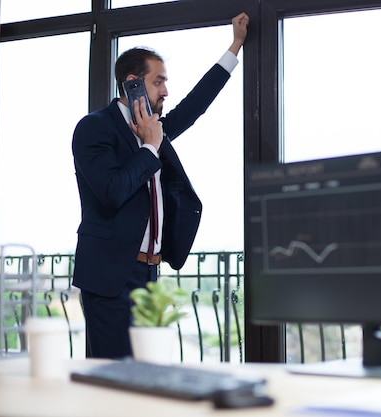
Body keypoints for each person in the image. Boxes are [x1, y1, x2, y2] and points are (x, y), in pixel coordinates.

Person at [71, 12, 249, 359]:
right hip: (111, 277)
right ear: (132, 82)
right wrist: (150, 147)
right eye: (159, 82)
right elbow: (112, 191)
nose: (166, 90)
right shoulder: (94, 129)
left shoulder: (155, 128)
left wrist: (235, 46)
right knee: (114, 376)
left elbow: (194, 106)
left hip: (149, 272)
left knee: (146, 374)